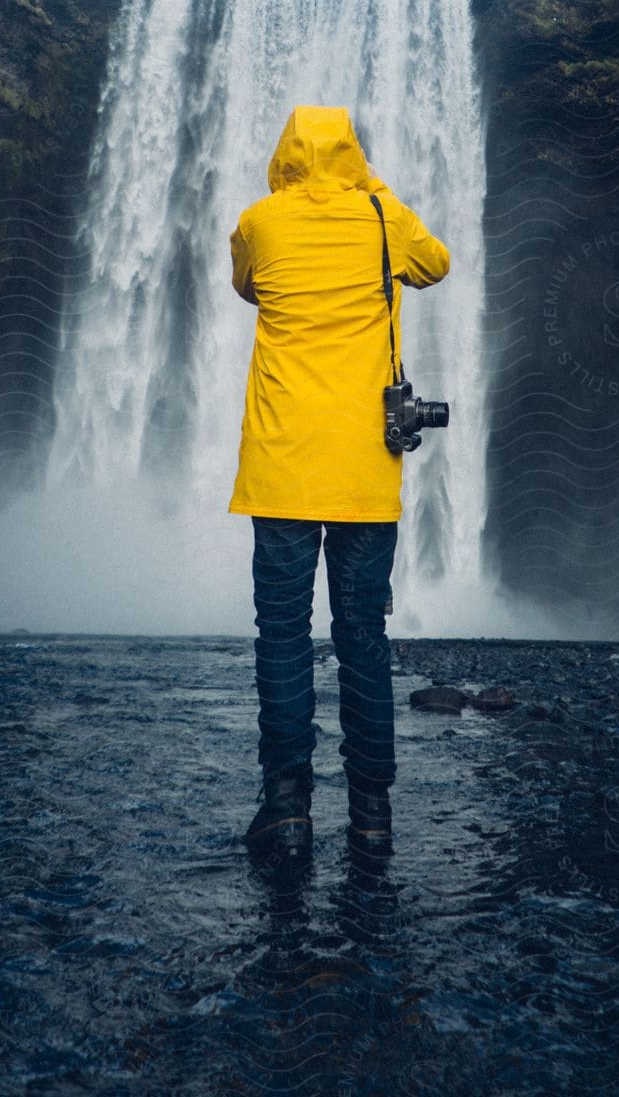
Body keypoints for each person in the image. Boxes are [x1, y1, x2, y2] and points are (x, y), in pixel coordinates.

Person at [227, 104, 450, 863]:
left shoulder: (259, 221)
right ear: (354, 155)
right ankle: (372, 817)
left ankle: (287, 812)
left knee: (282, 636)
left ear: (285, 156)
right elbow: (436, 264)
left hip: (282, 467)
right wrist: (372, 191)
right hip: (364, 472)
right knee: (363, 636)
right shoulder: (385, 218)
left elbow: (249, 289)